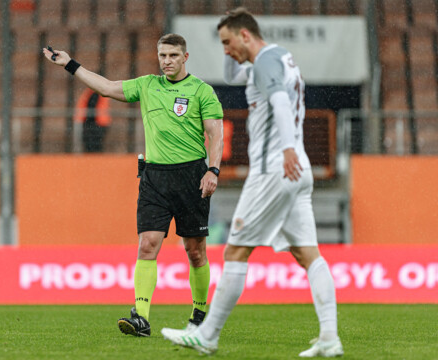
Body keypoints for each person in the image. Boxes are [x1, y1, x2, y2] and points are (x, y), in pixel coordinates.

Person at [161, 8, 344, 358]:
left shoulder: (263, 64)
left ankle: (207, 336)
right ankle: (329, 338)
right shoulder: (280, 57)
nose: (225, 50)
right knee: (309, 255)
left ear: (246, 35)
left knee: (235, 251)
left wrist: (288, 148)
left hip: (274, 168)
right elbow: (234, 73)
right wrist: (231, 49)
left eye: (228, 42)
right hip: (297, 169)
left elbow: (277, 100)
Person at [43, 33, 224, 337]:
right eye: (162, 55)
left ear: (185, 58)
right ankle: (140, 317)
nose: (167, 61)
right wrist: (70, 65)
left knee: (195, 251)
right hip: (154, 178)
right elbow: (107, 87)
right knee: (147, 244)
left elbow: (215, 134)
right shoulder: (147, 85)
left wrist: (213, 170)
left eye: (173, 56)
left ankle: (200, 312)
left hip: (192, 176)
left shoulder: (202, 92)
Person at [74, 88, 111, 152]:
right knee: (94, 146)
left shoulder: (93, 92)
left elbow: (90, 107)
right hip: (97, 123)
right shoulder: (95, 92)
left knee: (93, 146)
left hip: (96, 124)